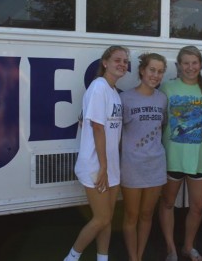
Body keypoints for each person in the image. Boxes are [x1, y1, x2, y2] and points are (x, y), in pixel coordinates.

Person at [64, 45, 129, 261]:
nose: (122, 64)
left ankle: (103, 258)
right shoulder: (98, 86)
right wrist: (103, 166)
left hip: (110, 165)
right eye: (117, 59)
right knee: (101, 218)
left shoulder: (113, 93)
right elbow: (97, 128)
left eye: (125, 61)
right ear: (105, 63)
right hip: (96, 164)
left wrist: (110, 165)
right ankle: (72, 257)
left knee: (107, 218)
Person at [158, 46, 202, 261]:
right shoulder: (167, 88)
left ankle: (188, 247)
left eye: (194, 63)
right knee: (168, 203)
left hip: (200, 157)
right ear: (179, 66)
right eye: (186, 63)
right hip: (173, 156)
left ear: (200, 65)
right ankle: (171, 248)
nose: (190, 67)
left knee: (197, 207)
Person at [120, 53, 168, 261]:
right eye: (152, 70)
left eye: (160, 71)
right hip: (132, 165)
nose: (155, 75)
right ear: (142, 70)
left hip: (156, 165)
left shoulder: (162, 99)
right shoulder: (125, 98)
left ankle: (140, 255)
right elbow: (116, 131)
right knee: (131, 216)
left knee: (147, 215)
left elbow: (162, 126)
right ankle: (134, 258)